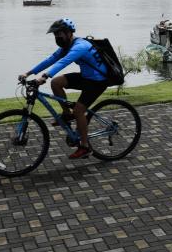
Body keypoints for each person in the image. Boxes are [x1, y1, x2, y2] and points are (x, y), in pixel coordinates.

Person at [19, 18, 108, 159]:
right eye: (55, 35)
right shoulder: (67, 45)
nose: (56, 37)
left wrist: (45, 76)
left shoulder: (80, 46)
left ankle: (85, 147)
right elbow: (51, 59)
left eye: (58, 34)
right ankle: (67, 114)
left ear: (68, 33)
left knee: (79, 110)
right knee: (56, 83)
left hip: (98, 80)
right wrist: (28, 73)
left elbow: (63, 62)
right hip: (86, 77)